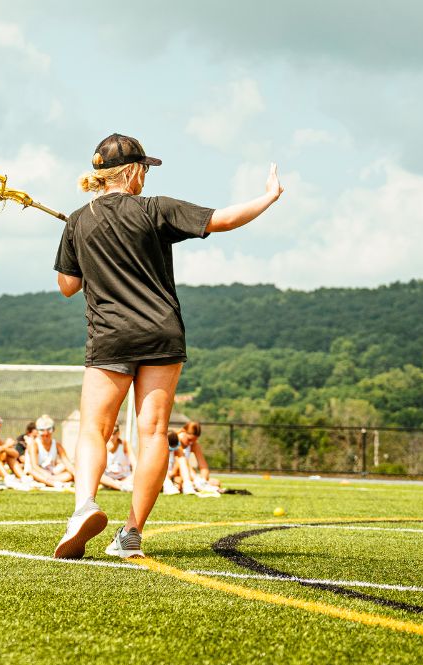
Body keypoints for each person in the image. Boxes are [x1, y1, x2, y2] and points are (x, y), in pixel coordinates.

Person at [53, 132, 282, 559]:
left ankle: (84, 505)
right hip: (161, 331)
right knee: (154, 432)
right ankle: (131, 534)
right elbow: (225, 219)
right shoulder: (156, 210)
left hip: (110, 334)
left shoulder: (78, 221)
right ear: (135, 172)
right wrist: (268, 197)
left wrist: (85, 250)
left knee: (94, 429)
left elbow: (68, 286)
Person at [25, 414, 75, 489]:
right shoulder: (34, 445)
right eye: (42, 430)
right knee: (32, 471)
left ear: (52, 430)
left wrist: (76, 475)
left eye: (48, 430)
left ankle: (51, 482)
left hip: (52, 474)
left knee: (70, 473)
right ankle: (53, 483)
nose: (46, 433)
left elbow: (67, 463)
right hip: (38, 473)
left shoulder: (57, 445)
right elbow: (34, 466)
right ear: (38, 431)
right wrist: (47, 475)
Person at [100, 428, 134, 492]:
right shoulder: (102, 445)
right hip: (108, 479)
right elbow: (99, 468)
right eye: (109, 434)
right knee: (98, 476)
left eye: (114, 433)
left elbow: (135, 464)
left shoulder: (124, 444)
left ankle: (114, 486)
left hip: (124, 478)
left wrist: (131, 478)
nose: (112, 437)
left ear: (118, 433)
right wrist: (107, 451)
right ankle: (120, 487)